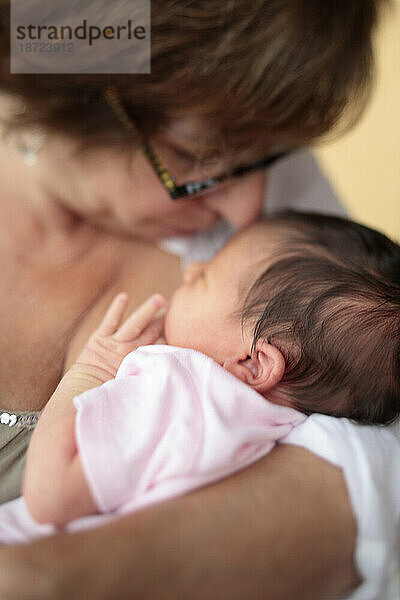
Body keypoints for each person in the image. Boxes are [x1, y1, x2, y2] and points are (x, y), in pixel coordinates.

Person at [0, 1, 398, 599]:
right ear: (77, 89)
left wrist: (71, 575)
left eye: (269, 159)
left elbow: (384, 419)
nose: (247, 212)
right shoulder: (70, 38)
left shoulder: (281, 230)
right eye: (195, 158)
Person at [0, 213, 399, 572]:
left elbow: (51, 496)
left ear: (252, 363)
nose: (192, 270)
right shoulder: (289, 433)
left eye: (206, 277)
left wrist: (91, 369)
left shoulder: (177, 386)